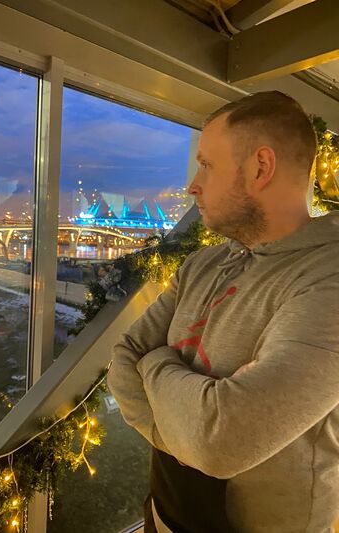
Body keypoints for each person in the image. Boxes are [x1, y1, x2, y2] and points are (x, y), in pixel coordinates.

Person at [107, 91, 339, 533]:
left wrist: (155, 363)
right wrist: (193, 423)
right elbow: (122, 362)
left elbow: (220, 442)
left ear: (260, 167)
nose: (192, 185)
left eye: (207, 165)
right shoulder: (201, 264)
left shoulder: (329, 277)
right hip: (163, 517)